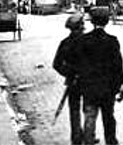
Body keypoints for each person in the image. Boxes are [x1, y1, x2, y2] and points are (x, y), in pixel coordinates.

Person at [74, 6, 123, 145]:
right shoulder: (112, 41)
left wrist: (80, 81)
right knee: (109, 117)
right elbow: (118, 66)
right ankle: (111, 141)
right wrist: (118, 85)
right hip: (107, 88)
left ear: (92, 22)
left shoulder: (84, 40)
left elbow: (78, 63)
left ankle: (88, 142)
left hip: (89, 87)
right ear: (107, 22)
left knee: (90, 117)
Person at [53, 12, 86, 145]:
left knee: (74, 109)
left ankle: (77, 136)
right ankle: (87, 134)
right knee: (90, 108)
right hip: (87, 80)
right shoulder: (88, 42)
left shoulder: (65, 43)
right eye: (82, 25)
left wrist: (69, 73)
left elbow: (57, 64)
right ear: (79, 27)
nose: (84, 27)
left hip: (73, 81)